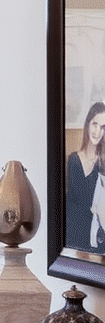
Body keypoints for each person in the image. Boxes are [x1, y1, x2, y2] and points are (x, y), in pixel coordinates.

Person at [66, 101, 105, 250]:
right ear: (88, 124)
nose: (98, 132)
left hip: (95, 241)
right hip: (70, 240)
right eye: (95, 124)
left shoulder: (103, 165)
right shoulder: (71, 160)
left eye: (103, 127)